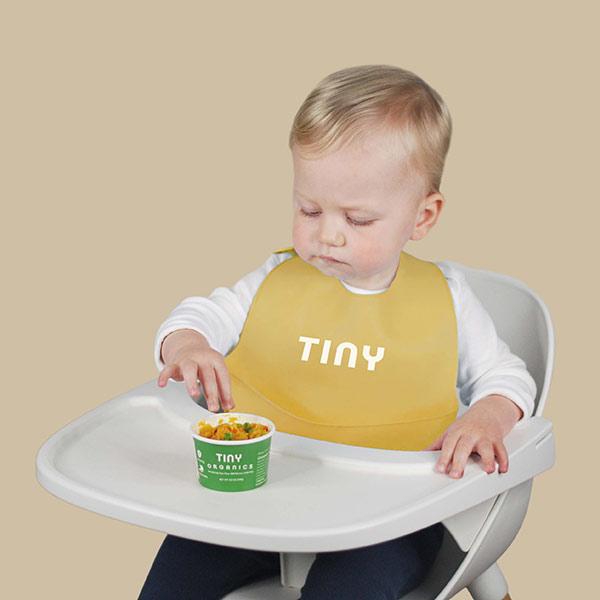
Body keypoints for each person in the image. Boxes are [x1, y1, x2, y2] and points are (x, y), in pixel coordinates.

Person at [138, 64, 536, 600]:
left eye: (358, 220)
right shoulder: (273, 280)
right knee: (177, 573)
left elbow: (508, 376)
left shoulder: (449, 299)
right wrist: (188, 344)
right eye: (309, 209)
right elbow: (198, 315)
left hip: (392, 515)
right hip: (263, 491)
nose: (328, 234)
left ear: (422, 216)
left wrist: (488, 416)